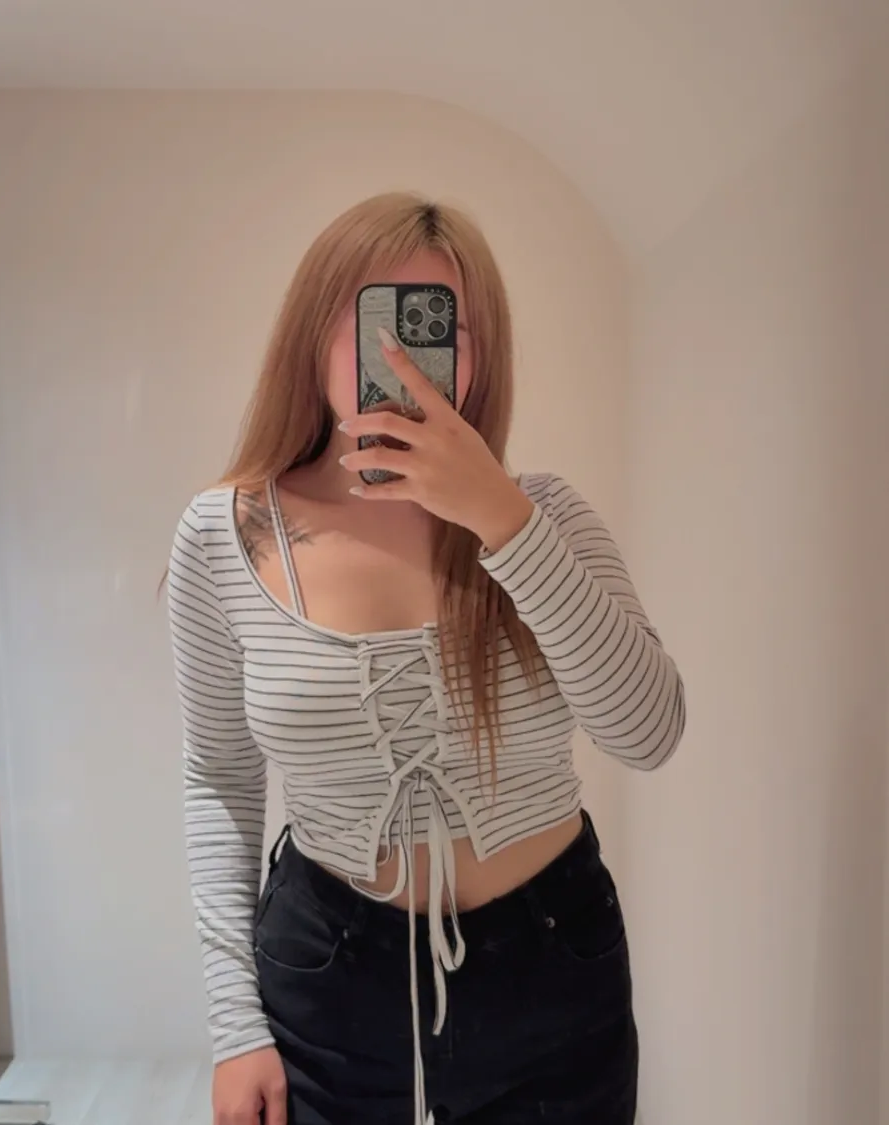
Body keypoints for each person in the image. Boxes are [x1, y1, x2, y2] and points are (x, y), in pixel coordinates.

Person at [167, 193, 686, 1125]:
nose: (400, 356)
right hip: (327, 975)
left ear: (477, 357)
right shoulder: (225, 534)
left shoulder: (546, 517)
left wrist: (502, 520)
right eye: (375, 318)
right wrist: (234, 1023)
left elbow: (649, 733)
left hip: (552, 963)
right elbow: (218, 779)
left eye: (438, 327)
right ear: (314, 334)